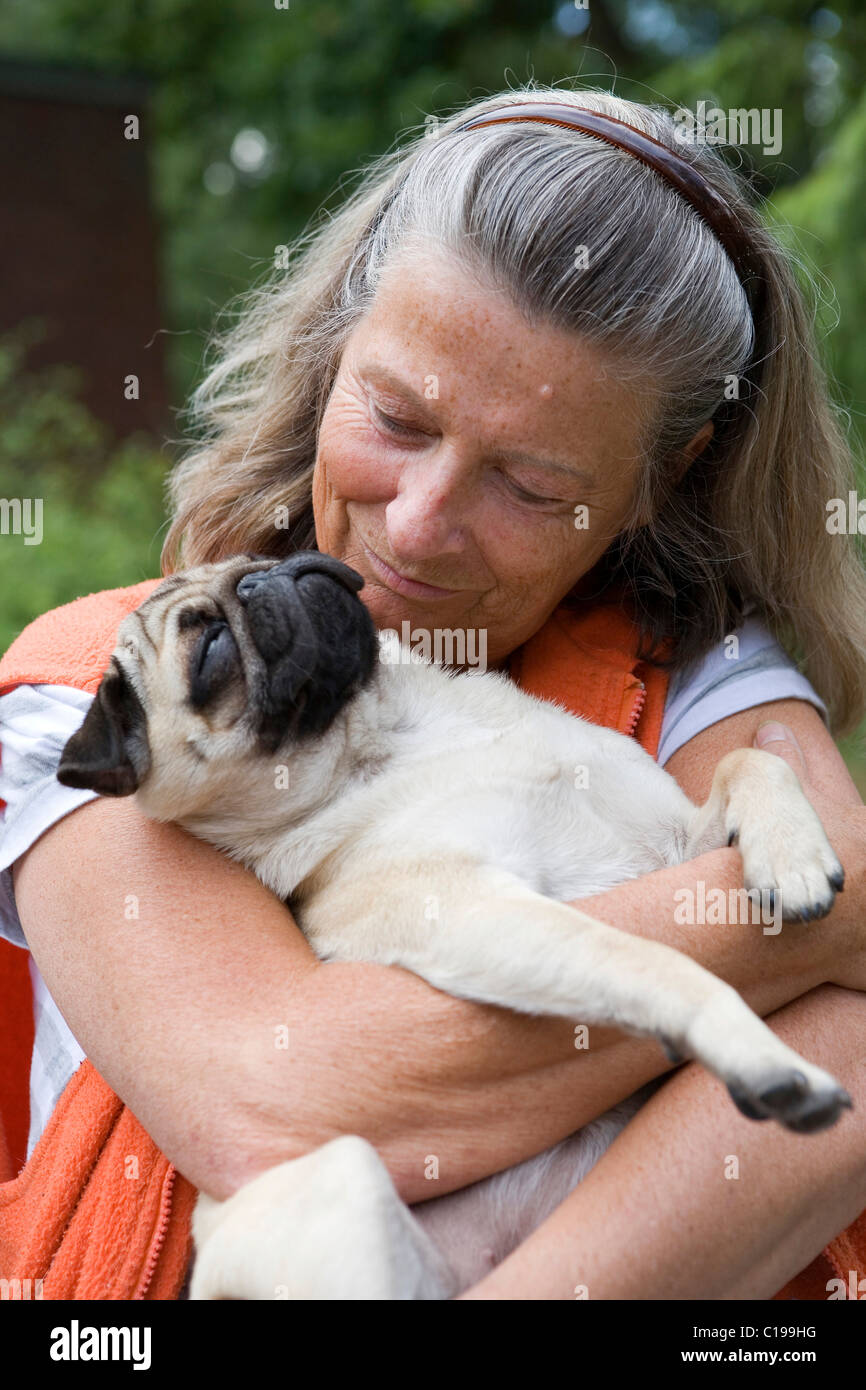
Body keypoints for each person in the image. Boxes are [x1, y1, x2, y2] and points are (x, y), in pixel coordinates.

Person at [2, 85, 866, 1300]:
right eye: (396, 417)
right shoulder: (88, 697)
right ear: (330, 351)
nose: (416, 523)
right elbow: (269, 1104)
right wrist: (786, 936)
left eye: (527, 481)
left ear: (654, 482)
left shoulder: (701, 673)